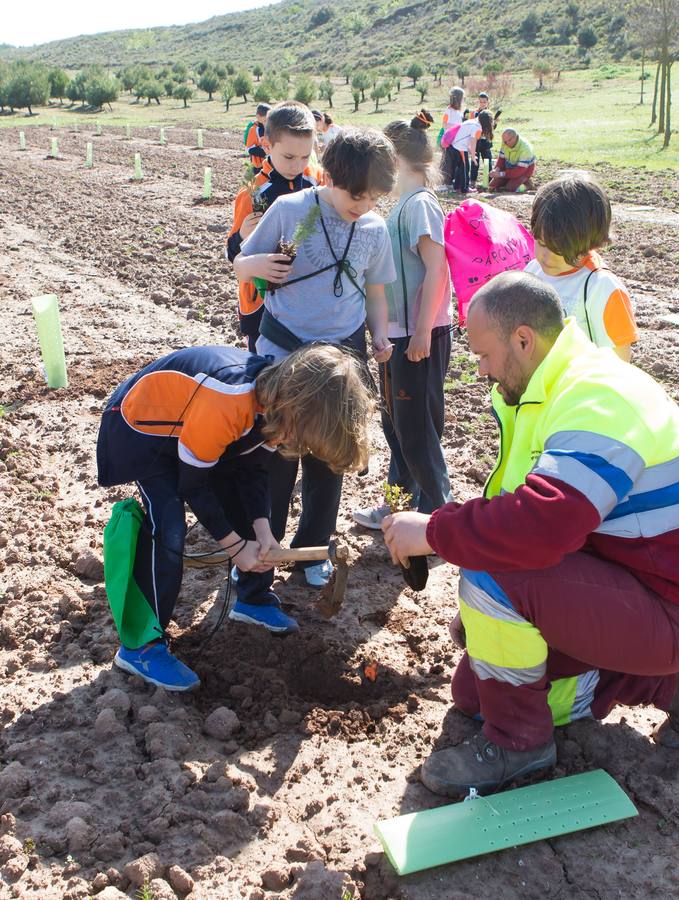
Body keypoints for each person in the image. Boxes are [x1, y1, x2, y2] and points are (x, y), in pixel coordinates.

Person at [382, 272, 679, 798]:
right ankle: (664, 681)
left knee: (490, 578)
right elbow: (524, 510)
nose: (479, 371)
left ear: (523, 339)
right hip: (628, 585)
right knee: (474, 685)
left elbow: (537, 530)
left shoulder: (597, 398)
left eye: (483, 355)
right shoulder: (552, 386)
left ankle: (519, 743)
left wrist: (433, 531)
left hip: (669, 609)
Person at [97, 343, 373, 690]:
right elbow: (194, 486)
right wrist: (235, 546)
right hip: (142, 431)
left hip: (192, 433)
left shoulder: (278, 407)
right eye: (303, 436)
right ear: (297, 403)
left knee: (251, 510)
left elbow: (253, 470)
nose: (297, 444)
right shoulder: (229, 398)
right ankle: (141, 646)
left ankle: (252, 599)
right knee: (167, 527)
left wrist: (261, 531)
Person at [233, 128, 397, 589]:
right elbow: (241, 262)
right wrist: (256, 268)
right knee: (276, 456)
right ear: (328, 175)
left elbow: (376, 291)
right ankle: (265, 547)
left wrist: (380, 335)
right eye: (355, 195)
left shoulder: (373, 228)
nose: (362, 206)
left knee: (330, 458)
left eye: (372, 198)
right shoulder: (292, 210)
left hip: (341, 360)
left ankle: (311, 553)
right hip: (282, 351)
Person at [353, 120, 452, 530]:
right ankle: (398, 507)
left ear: (393, 159)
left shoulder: (420, 205)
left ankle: (438, 520)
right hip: (400, 334)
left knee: (417, 433)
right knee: (398, 428)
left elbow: (437, 269)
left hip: (418, 335)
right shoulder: (403, 206)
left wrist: (423, 332)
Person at [227, 102, 323, 352]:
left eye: (305, 156)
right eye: (289, 157)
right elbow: (231, 253)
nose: (297, 165)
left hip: (308, 297)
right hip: (262, 303)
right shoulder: (251, 193)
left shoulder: (318, 182)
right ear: (267, 145)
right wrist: (241, 235)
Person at [525, 172, 638, 362]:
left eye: (558, 249)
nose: (546, 256)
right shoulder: (531, 272)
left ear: (589, 240)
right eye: (541, 243)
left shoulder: (601, 288)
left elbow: (619, 364)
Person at [451, 110, 493, 194]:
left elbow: (469, 140)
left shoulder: (473, 121)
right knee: (465, 168)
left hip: (456, 145)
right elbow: (473, 143)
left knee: (461, 168)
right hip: (460, 147)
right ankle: (465, 188)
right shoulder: (477, 127)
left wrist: (471, 152)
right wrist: (473, 156)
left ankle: (457, 187)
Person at [489, 127, 536, 193]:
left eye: (509, 141)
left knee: (510, 188)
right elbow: (501, 160)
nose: (506, 143)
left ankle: (527, 184)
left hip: (523, 171)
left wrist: (501, 174)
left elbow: (520, 170)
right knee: (492, 186)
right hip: (509, 168)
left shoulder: (526, 149)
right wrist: (496, 169)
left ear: (515, 137)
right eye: (504, 141)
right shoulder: (505, 142)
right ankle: (509, 182)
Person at [438, 86, 465, 188]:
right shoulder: (448, 110)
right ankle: (444, 183)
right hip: (448, 140)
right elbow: (444, 124)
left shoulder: (459, 112)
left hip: (457, 140)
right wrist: (457, 127)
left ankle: (451, 182)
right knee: (447, 162)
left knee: (454, 161)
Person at [244, 102, 271, 168]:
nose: (268, 123)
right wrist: (266, 152)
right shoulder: (254, 129)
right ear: (258, 117)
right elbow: (249, 148)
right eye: (265, 120)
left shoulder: (269, 127)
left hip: (270, 164)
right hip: (259, 166)